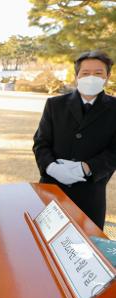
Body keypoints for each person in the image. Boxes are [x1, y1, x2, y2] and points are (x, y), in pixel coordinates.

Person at [33, 50, 116, 230]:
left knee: (86, 247)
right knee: (44, 239)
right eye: (85, 73)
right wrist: (51, 167)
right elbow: (41, 142)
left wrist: (85, 168)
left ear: (107, 77)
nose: (91, 77)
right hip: (51, 190)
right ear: (77, 76)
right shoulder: (55, 105)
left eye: (98, 73)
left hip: (90, 196)